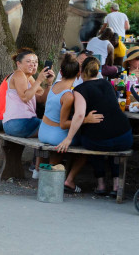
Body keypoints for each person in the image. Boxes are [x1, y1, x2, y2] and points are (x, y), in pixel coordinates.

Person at [57, 57, 133, 196]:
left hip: (99, 140)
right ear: (98, 71)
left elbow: (79, 115)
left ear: (81, 71)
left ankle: (101, 184)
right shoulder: (107, 84)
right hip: (124, 136)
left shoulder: (80, 89)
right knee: (110, 142)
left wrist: (68, 138)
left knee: (92, 139)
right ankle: (116, 185)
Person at [38, 54, 102, 193]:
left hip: (43, 131)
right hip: (55, 136)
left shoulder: (55, 84)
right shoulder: (69, 95)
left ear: (60, 72)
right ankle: (69, 180)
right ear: (79, 73)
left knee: (72, 139)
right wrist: (86, 119)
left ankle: (51, 175)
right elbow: (63, 124)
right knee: (86, 145)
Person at [2, 49, 54, 137]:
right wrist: (39, 80)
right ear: (18, 64)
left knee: (54, 127)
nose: (33, 65)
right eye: (28, 61)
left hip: (19, 123)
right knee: (56, 127)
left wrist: (49, 83)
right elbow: (25, 97)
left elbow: (41, 99)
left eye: (35, 62)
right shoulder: (19, 74)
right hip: (18, 122)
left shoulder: (28, 77)